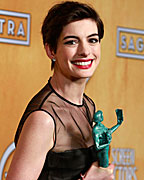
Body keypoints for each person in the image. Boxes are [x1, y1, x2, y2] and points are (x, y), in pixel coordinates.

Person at [6, 1, 114, 180]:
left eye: (92, 40)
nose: (85, 51)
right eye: (72, 42)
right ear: (51, 50)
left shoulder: (88, 105)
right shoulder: (44, 120)